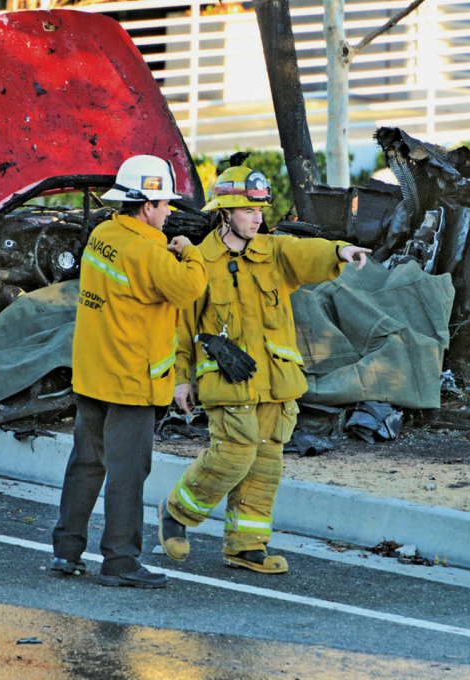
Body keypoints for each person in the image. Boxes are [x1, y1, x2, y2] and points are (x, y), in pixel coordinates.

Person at [157, 164, 371, 574]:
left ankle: (246, 546)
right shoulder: (200, 261)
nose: (258, 218)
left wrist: (340, 250)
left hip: (275, 383)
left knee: (266, 464)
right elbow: (181, 327)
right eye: (247, 211)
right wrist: (181, 379)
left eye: (260, 211)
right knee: (234, 455)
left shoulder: (273, 251)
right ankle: (177, 513)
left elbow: (306, 253)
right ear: (225, 213)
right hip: (227, 382)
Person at [51, 154, 208, 588]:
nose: (169, 212)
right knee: (128, 474)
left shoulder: (104, 234)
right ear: (146, 206)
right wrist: (190, 253)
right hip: (132, 382)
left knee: (86, 463)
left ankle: (66, 550)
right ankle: (120, 561)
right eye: (164, 205)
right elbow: (191, 289)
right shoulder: (150, 251)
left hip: (93, 373)